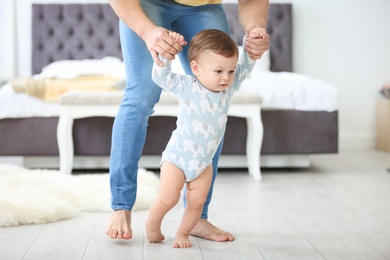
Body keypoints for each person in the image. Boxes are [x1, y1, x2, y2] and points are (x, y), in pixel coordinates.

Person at [106, 0, 270, 242]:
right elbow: (164, 76)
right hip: (146, 4)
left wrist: (255, 30)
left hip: (204, 6)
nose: (228, 78)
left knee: (215, 97)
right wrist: (148, 31)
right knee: (141, 96)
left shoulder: (231, 79)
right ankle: (121, 206)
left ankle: (197, 218)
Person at [146, 28, 264, 248]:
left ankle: (183, 233)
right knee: (168, 199)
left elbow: (246, 68)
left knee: (197, 203)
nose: (226, 78)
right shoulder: (188, 86)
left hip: (203, 163)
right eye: (219, 71)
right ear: (196, 68)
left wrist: (251, 42)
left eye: (230, 71)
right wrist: (166, 55)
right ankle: (152, 225)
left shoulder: (228, 88)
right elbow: (160, 77)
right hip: (178, 158)